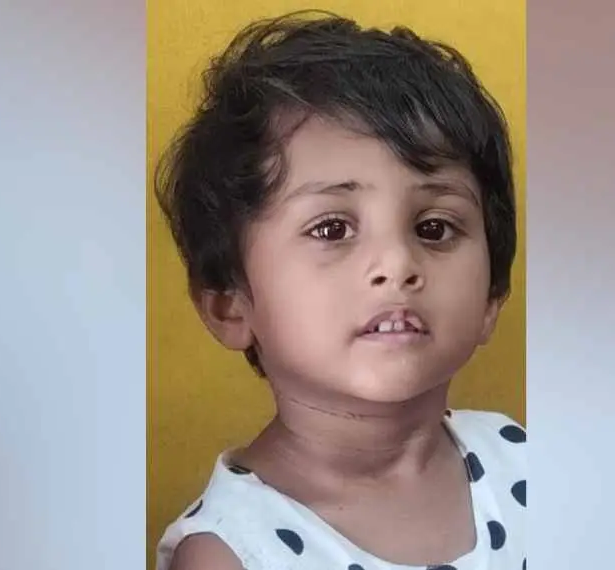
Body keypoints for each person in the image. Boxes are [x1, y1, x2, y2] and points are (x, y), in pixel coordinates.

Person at [154, 10, 525, 570]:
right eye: (332, 229)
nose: (397, 263)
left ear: (492, 297)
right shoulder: (231, 553)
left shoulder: (525, 460)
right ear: (230, 303)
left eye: (434, 228)